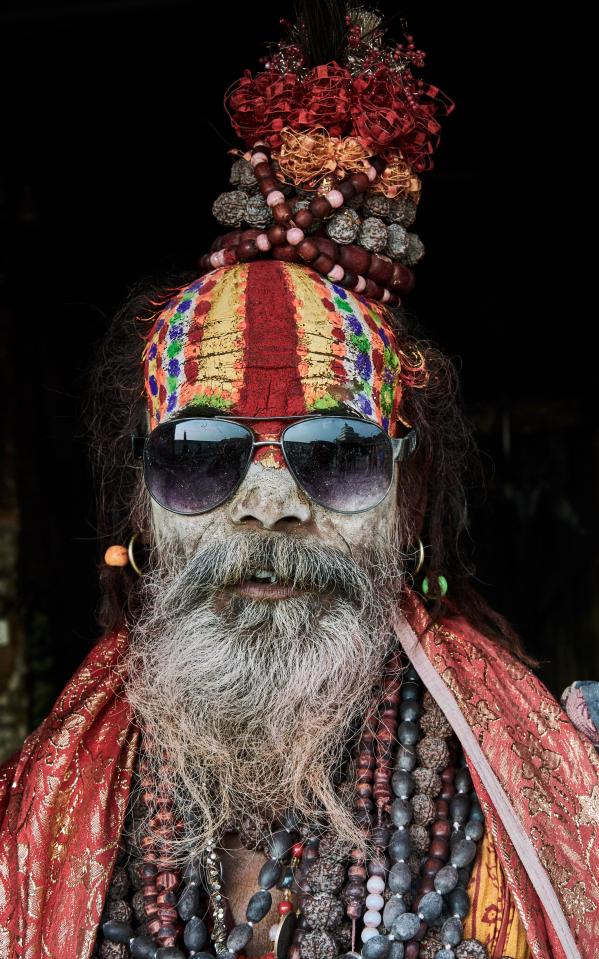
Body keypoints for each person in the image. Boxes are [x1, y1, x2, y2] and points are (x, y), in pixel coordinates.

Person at [1, 6, 598, 959]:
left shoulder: (557, 792)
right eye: (201, 452)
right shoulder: (46, 802)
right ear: (141, 507)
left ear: (405, 503)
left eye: (335, 452)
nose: (270, 499)